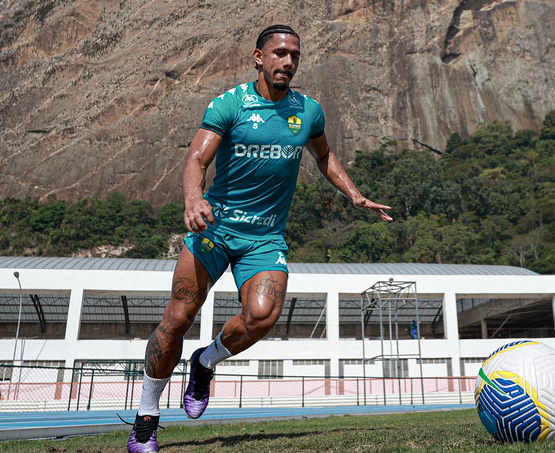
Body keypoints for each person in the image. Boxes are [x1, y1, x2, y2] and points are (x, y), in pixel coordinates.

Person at [127, 24, 393, 452]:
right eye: (280, 54)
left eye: (295, 56)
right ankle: (146, 416)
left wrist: (355, 195)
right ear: (259, 57)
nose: (288, 62)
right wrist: (193, 199)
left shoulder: (308, 111)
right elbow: (196, 158)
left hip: (265, 238)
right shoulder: (230, 104)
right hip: (215, 230)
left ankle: (205, 362)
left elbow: (324, 156)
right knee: (176, 321)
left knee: (263, 316)